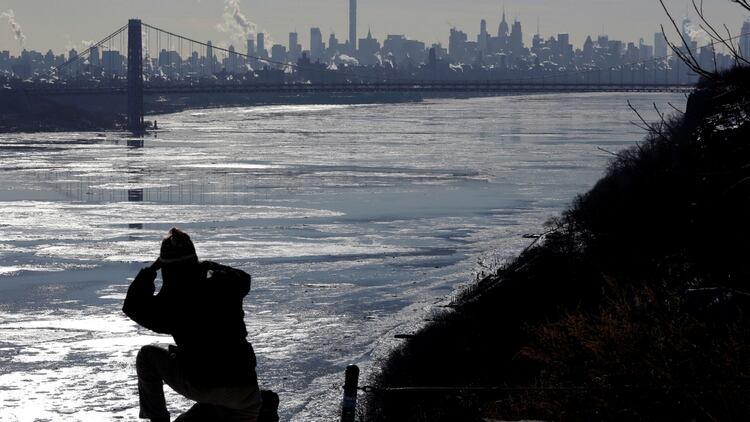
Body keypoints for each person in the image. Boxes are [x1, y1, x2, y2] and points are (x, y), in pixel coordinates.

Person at [123, 228, 262, 422]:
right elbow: (243, 278)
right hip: (245, 392)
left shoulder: (170, 302)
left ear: (166, 267)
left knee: (146, 357)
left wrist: (151, 271)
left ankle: (158, 420)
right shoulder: (225, 286)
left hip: (204, 385)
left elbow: (133, 306)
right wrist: (208, 265)